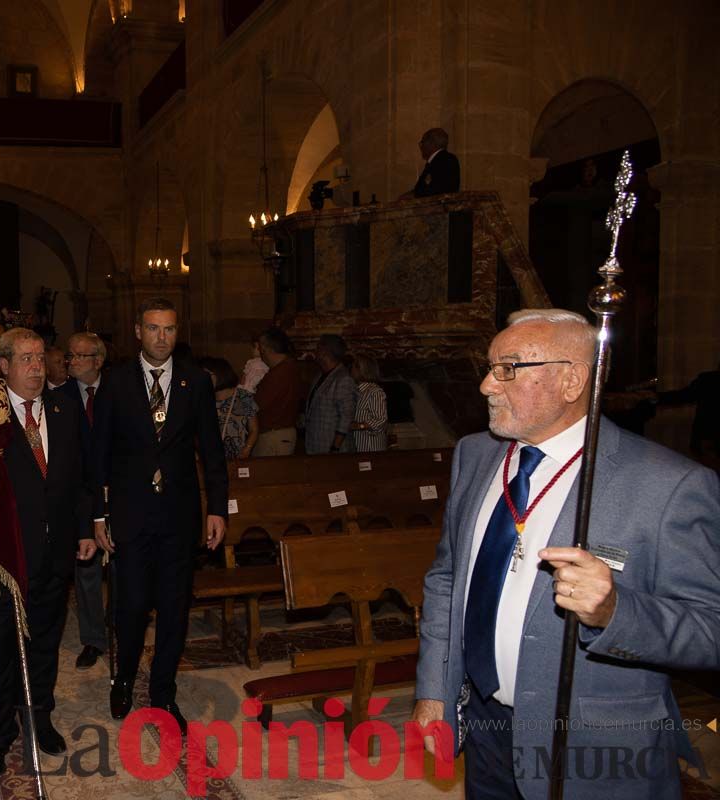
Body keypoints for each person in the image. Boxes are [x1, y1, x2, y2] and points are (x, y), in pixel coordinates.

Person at [412, 309, 720, 799]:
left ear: (572, 379)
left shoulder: (670, 486)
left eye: (508, 368)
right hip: (487, 727)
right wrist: (435, 691)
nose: (488, 385)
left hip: (595, 746)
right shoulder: (475, 454)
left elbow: (710, 629)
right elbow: (448, 578)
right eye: (490, 367)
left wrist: (617, 611)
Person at [0, 327, 95, 781]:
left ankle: (39, 717)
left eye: (40, 358)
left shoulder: (64, 408)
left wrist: (86, 529)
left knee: (45, 640)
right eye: (26, 359)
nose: (36, 367)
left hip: (55, 552)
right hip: (1, 561)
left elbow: (82, 478)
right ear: (3, 365)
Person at [92, 297, 228, 735]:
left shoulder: (195, 381)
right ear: (138, 331)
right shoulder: (114, 382)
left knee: (174, 609)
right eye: (153, 328)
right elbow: (98, 456)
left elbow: (212, 451)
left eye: (169, 329)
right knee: (130, 608)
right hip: (130, 514)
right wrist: (98, 515)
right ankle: (125, 678)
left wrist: (218, 509)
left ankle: (163, 693)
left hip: (178, 516)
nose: (161, 337)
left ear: (177, 331)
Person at [57, 331, 109, 671]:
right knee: (86, 570)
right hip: (79, 495)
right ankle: (93, 638)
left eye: (78, 356)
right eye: (69, 356)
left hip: (118, 492)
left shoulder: (121, 391)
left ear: (97, 360)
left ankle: (123, 625)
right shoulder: (58, 398)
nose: (70, 361)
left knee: (125, 568)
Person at [303, 334, 357, 454]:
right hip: (314, 445)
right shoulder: (319, 376)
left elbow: (346, 417)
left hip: (332, 448)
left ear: (324, 352)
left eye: (317, 348)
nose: (314, 352)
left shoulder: (343, 379)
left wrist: (335, 447)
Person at [251, 327, 302, 457]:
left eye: (261, 348)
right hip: (278, 434)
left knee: (268, 475)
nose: (260, 353)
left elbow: (257, 404)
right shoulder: (289, 367)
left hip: (274, 435)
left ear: (267, 349)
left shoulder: (280, 372)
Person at [200, 357, 259, 460]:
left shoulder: (243, 396)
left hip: (238, 457)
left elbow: (254, 429)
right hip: (210, 458)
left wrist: (247, 449)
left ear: (220, 374)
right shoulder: (203, 398)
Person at [403, 127, 460, 198]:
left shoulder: (445, 160)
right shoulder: (439, 160)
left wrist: (413, 195)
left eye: (422, 142)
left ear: (432, 143)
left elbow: (437, 189)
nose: (420, 146)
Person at [349, 354, 388, 452]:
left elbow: (380, 420)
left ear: (361, 369)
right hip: (355, 446)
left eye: (353, 366)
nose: (351, 370)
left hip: (370, 448)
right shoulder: (355, 391)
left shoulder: (374, 391)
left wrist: (359, 426)